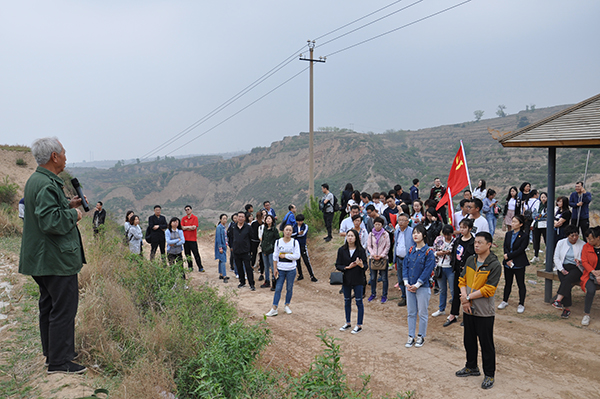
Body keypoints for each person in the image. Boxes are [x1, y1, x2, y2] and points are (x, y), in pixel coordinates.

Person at [20, 137, 87, 374]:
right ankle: (60, 362)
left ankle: (53, 354)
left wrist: (69, 204)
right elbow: (51, 222)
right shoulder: (47, 184)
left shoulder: (38, 180)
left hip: (43, 258)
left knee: (49, 306)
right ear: (54, 157)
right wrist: (76, 215)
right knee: (64, 308)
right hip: (55, 259)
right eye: (64, 153)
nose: (66, 157)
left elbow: (45, 212)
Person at [456, 232, 502, 390]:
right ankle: (471, 366)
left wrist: (467, 297)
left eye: (480, 243)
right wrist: (464, 298)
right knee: (468, 339)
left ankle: (489, 374)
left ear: (489, 245)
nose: (476, 245)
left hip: (484, 311)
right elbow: (462, 280)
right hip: (468, 308)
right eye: (475, 242)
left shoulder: (494, 265)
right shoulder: (470, 260)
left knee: (486, 343)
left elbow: (489, 289)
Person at [403, 224, 436, 348]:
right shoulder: (411, 250)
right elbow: (405, 266)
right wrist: (406, 283)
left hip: (422, 287)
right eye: (414, 233)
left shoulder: (428, 252)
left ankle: (421, 336)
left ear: (424, 235)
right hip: (409, 286)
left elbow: (427, 270)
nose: (415, 235)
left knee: (422, 313)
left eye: (418, 233)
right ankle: (411, 335)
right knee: (411, 312)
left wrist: (417, 284)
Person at [445, 218, 475, 327]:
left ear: (470, 229)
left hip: (469, 272)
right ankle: (453, 314)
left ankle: (467, 314)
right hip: (457, 270)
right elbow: (454, 253)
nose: (462, 230)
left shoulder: (473, 242)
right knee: (456, 293)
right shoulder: (458, 240)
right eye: (460, 227)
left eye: (464, 227)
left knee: (467, 294)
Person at [336, 229, 368, 334]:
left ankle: (359, 324)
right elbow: (338, 265)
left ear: (356, 238)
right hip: (346, 279)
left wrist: (361, 265)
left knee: (359, 301)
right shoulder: (341, 250)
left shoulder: (361, 251)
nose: (350, 238)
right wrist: (347, 267)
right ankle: (348, 322)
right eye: (348, 236)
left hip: (358, 278)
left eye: (352, 236)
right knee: (347, 301)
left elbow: (366, 266)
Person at [265, 225, 301, 317]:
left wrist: (285, 256)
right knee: (278, 288)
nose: (288, 232)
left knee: (289, 288)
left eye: (290, 230)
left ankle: (287, 305)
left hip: (291, 269)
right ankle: (274, 308)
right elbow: (275, 256)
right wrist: (275, 268)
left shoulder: (295, 242)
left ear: (292, 232)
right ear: (283, 231)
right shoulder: (278, 242)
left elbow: (297, 256)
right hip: (280, 269)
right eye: (286, 230)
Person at [497, 215, 530, 313]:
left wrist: (509, 256)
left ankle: (521, 303)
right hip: (508, 262)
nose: (513, 223)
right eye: (512, 221)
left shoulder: (524, 236)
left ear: (521, 224)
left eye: (515, 222)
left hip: (519, 262)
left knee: (520, 283)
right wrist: (507, 258)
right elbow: (506, 246)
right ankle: (505, 300)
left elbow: (521, 249)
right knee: (508, 282)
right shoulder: (508, 234)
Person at [551, 225, 585, 319]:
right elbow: (556, 257)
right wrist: (561, 269)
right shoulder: (561, 243)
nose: (575, 238)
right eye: (572, 236)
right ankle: (566, 309)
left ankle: (558, 300)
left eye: (576, 235)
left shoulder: (582, 244)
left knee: (567, 280)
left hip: (576, 267)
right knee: (566, 283)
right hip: (562, 266)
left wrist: (579, 261)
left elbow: (585, 259)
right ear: (567, 236)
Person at [432, 225, 455, 318]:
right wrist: (438, 253)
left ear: (452, 234)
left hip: (450, 267)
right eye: (445, 234)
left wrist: (450, 253)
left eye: (448, 235)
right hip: (440, 266)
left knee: (453, 290)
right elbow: (433, 250)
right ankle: (441, 309)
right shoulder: (438, 239)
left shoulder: (455, 241)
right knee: (442, 290)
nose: (446, 237)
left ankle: (454, 311)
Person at [367, 217, 391, 304]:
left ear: (382, 225)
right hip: (373, 258)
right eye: (376, 224)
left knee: (384, 278)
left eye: (379, 224)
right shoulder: (371, 234)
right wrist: (373, 254)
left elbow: (387, 246)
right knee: (373, 278)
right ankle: (373, 294)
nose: (377, 226)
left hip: (383, 259)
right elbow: (369, 246)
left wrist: (381, 255)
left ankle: (384, 295)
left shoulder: (385, 234)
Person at [394, 213, 416, 306]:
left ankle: (411, 297)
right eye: (399, 220)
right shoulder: (397, 231)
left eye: (403, 220)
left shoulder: (412, 231)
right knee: (400, 279)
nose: (401, 222)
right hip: (399, 258)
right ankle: (404, 297)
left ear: (407, 222)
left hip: (409, 259)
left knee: (410, 278)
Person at [580, 227, 600, 326]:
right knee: (591, 291)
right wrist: (594, 272)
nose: (588, 241)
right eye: (587, 238)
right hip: (589, 275)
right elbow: (584, 262)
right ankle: (586, 314)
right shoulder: (586, 247)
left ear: (598, 238)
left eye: (590, 239)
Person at [232, 211, 255, 290]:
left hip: (245, 251)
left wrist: (251, 250)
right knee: (239, 267)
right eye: (239, 216)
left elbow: (252, 239)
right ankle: (242, 282)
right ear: (237, 217)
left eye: (242, 217)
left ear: (245, 218)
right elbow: (230, 238)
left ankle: (251, 284)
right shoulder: (233, 227)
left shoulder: (248, 227)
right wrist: (232, 246)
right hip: (236, 251)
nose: (240, 218)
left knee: (248, 268)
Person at [294, 214, 318, 282]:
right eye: (299, 221)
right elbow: (292, 235)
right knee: (297, 261)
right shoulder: (294, 226)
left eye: (301, 221)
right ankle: (300, 274)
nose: (300, 222)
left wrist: (296, 234)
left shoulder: (305, 226)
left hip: (302, 245)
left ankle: (312, 275)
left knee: (306, 261)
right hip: (296, 246)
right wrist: (298, 234)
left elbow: (303, 234)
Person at [181, 205, 204, 272]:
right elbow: (182, 227)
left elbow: (194, 227)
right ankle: (190, 267)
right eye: (186, 210)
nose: (187, 211)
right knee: (187, 254)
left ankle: (200, 267)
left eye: (188, 209)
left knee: (196, 253)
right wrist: (189, 227)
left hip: (193, 239)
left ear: (191, 210)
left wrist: (186, 227)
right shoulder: (183, 218)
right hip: (185, 240)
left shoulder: (195, 218)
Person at [261, 214, 279, 290]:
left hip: (272, 250)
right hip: (264, 250)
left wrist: (273, 246)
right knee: (266, 266)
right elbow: (263, 238)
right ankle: (267, 281)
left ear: (272, 220)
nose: (268, 220)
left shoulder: (274, 229)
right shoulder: (264, 228)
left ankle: (274, 282)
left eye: (269, 218)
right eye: (267, 219)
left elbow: (278, 239)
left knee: (273, 267)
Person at [531, 192, 548, 262]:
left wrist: (539, 216)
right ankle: (536, 256)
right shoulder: (537, 204)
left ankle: (547, 257)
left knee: (546, 241)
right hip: (536, 225)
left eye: (544, 197)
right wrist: (540, 216)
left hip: (545, 225)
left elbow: (547, 215)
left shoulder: (549, 205)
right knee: (536, 241)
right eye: (542, 197)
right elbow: (534, 215)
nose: (543, 199)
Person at [214, 214, 229, 282]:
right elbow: (218, 238)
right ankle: (224, 276)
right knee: (223, 261)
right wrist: (220, 247)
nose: (225, 220)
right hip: (221, 246)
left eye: (226, 218)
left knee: (221, 260)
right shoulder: (219, 227)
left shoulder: (223, 227)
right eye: (223, 218)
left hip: (224, 245)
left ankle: (221, 274)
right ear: (220, 219)